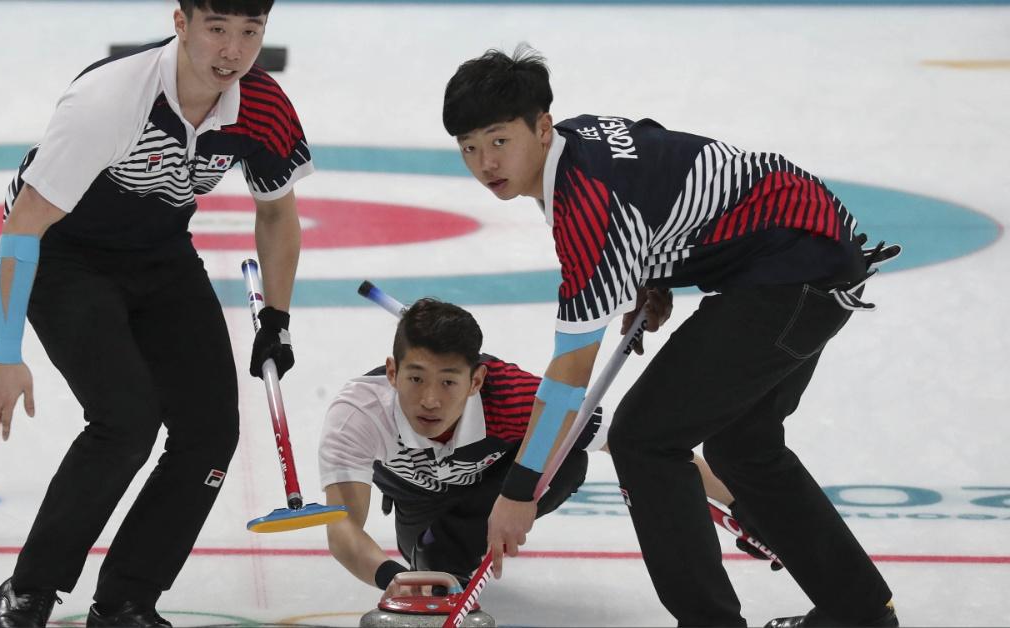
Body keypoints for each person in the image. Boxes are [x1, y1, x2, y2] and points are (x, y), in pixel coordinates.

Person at [441, 47, 900, 628]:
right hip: (811, 246)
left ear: (541, 126)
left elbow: (567, 380)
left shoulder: (588, 207)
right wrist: (652, 273)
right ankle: (860, 613)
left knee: (642, 439)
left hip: (792, 271)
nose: (485, 163)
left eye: (498, 140)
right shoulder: (574, 148)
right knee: (744, 446)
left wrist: (520, 489)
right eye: (469, 149)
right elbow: (661, 177)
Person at [0, 1, 311, 626]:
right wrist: (5, 352)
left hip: (158, 250)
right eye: (217, 29)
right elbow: (24, 225)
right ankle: (30, 589)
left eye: (250, 32)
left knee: (211, 430)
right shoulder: (110, 99)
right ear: (181, 23)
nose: (233, 52)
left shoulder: (262, 106)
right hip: (63, 251)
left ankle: (127, 598)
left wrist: (277, 319)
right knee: (125, 420)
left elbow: (277, 213)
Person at [318, 297, 743, 594]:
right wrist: (391, 576)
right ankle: (438, 554)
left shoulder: (518, 400)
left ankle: (459, 544)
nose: (430, 400)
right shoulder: (358, 413)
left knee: (566, 458)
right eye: (415, 378)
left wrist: (744, 506)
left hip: (493, 489)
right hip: (418, 505)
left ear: (476, 381)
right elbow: (342, 526)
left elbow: (640, 446)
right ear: (391, 373)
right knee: (433, 572)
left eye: (448, 381)